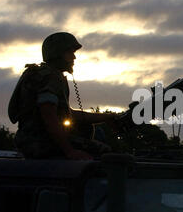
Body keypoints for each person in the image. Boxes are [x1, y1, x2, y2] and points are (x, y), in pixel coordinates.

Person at [8, 32, 118, 160]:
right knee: (104, 153)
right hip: (39, 142)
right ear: (58, 53)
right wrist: (70, 152)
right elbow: (49, 116)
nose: (74, 57)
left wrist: (106, 117)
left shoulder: (47, 74)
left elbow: (67, 114)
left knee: (86, 128)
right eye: (70, 52)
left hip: (34, 140)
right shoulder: (49, 77)